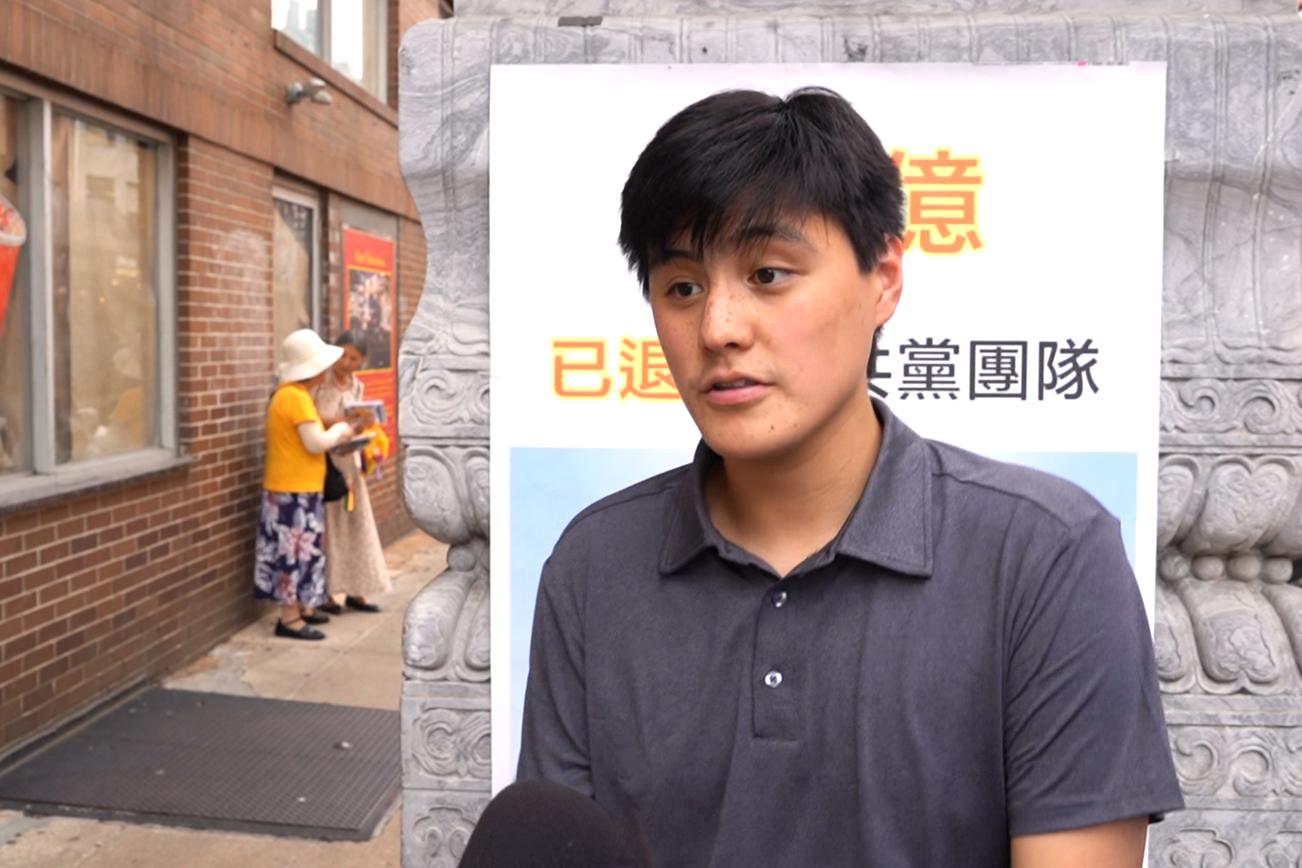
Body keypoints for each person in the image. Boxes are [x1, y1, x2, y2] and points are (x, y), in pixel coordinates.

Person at [488, 88, 1185, 867]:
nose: (718, 328)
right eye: (682, 287)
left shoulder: (1046, 558)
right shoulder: (595, 564)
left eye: (768, 274)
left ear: (883, 277)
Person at [254, 328, 361, 640]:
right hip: (294, 491)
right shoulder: (297, 399)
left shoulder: (286, 395)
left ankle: (300, 608)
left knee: (298, 552)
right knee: (294, 554)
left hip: (290, 488)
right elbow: (315, 443)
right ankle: (289, 619)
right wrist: (340, 431)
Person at [313, 331, 391, 614]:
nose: (346, 363)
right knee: (331, 527)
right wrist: (342, 422)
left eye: (354, 358)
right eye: (343, 355)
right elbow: (312, 419)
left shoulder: (357, 386)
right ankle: (328, 593)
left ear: (362, 361)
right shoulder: (320, 382)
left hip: (351, 462)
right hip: (326, 462)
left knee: (356, 524)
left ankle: (357, 589)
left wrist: (363, 426)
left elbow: (356, 423)